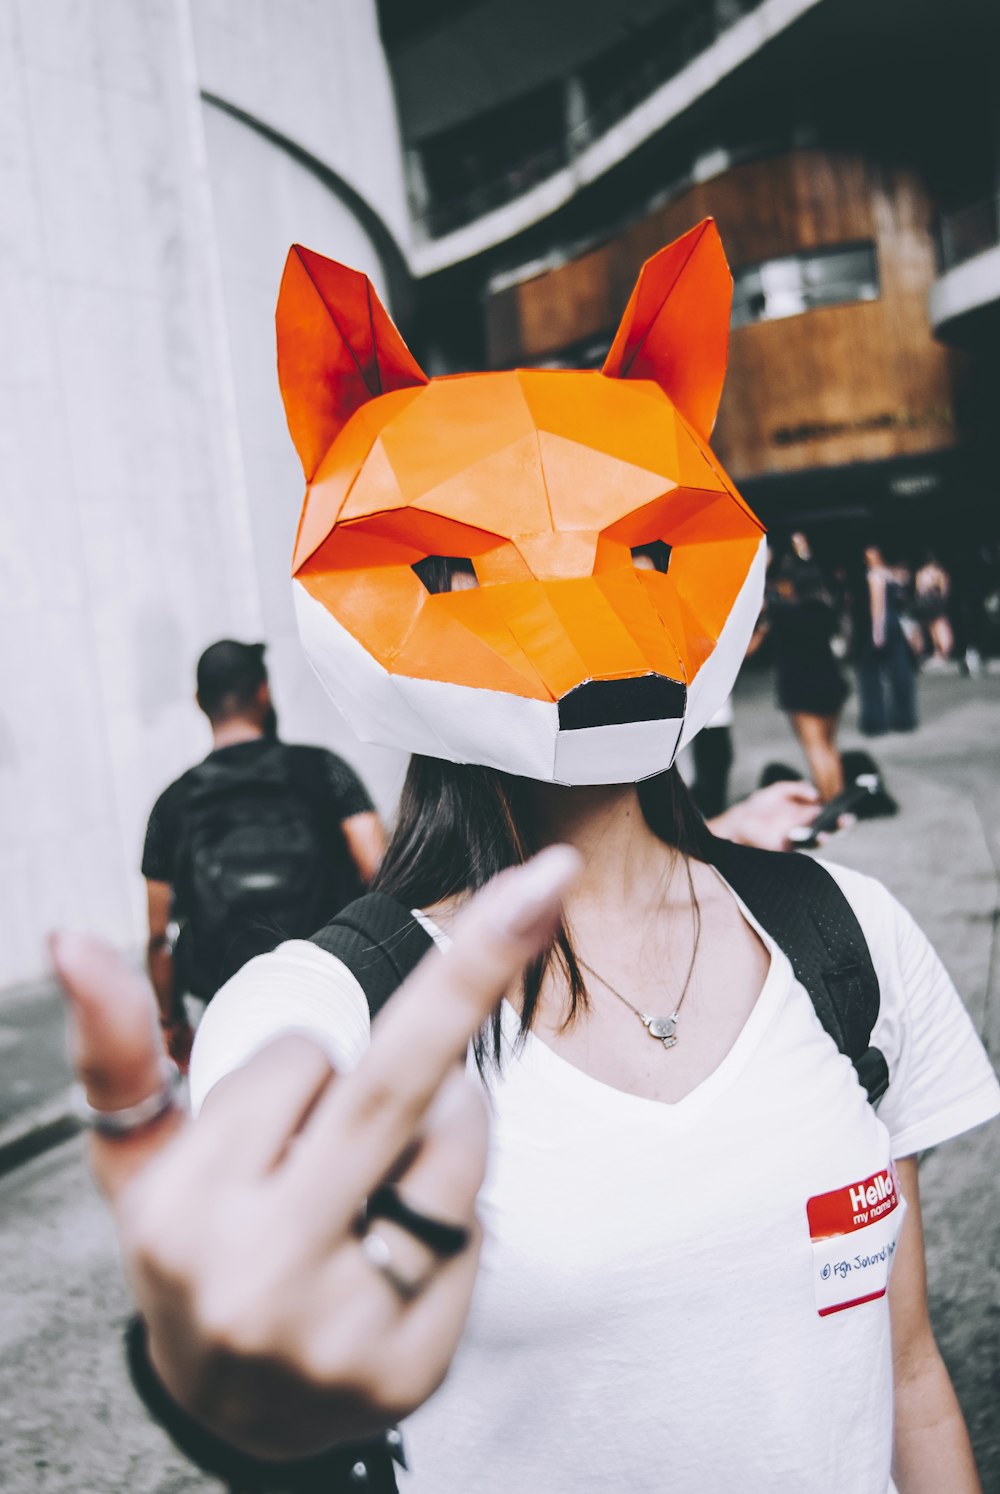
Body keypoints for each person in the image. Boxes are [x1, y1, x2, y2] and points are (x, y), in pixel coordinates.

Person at [55, 226, 998, 1494]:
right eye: (456, 565)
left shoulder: (850, 940)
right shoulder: (332, 1014)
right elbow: (259, 1248)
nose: (588, 624)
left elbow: (906, 1373)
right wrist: (240, 1396)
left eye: (646, 550)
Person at [142, 639, 386, 1063]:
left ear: (201, 702)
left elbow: (159, 939)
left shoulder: (172, 804)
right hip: (330, 988)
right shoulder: (324, 769)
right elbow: (381, 876)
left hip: (230, 1006)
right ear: (263, 692)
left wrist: (172, 1022)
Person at [752, 559, 849, 800]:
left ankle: (829, 804)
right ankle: (838, 798)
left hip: (800, 688)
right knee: (829, 746)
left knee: (814, 748)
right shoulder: (823, 610)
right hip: (830, 684)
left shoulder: (779, 614)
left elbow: (750, 650)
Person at [854, 545, 918, 736]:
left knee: (870, 674)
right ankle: (904, 718)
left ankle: (876, 721)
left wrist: (877, 633)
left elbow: (877, 605)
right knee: (900, 671)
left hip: (881, 625)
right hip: (896, 624)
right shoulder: (892, 575)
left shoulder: (874, 576)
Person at [914, 554, 954, 666]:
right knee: (938, 627)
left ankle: (940, 653)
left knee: (935, 628)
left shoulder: (922, 573)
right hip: (935, 603)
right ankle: (941, 653)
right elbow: (944, 591)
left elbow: (918, 591)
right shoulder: (939, 573)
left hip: (927, 603)